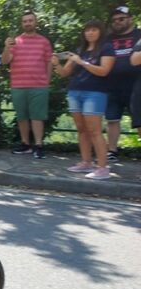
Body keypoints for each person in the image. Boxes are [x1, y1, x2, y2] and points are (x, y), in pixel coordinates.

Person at [51, 20, 115, 180]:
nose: (90, 33)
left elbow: (104, 71)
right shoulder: (80, 50)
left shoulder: (106, 48)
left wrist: (82, 62)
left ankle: (102, 167)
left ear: (100, 31)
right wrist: (56, 64)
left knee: (95, 130)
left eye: (94, 30)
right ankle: (86, 162)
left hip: (94, 93)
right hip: (75, 92)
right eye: (87, 30)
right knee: (81, 129)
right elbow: (65, 73)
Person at [0, 11, 53, 158]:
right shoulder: (15, 41)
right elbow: (5, 61)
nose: (28, 23)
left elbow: (49, 63)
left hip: (39, 85)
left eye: (30, 20)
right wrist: (6, 47)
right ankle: (25, 144)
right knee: (22, 117)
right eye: (25, 21)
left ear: (35, 22)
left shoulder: (44, 41)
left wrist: (47, 82)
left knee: (37, 117)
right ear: (22, 24)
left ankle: (38, 145)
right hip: (18, 85)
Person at [104, 6, 141, 162]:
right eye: (114, 20)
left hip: (137, 84)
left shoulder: (139, 35)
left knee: (140, 120)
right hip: (113, 84)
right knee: (112, 119)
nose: (117, 22)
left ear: (130, 19)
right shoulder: (108, 38)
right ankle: (112, 151)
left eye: (121, 19)